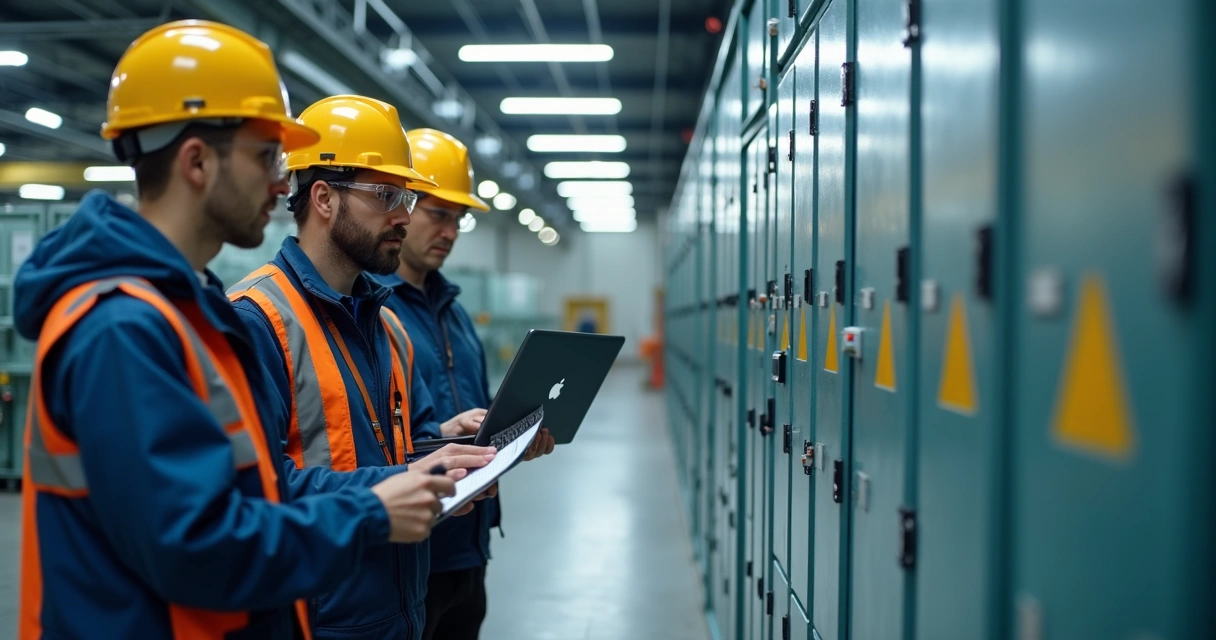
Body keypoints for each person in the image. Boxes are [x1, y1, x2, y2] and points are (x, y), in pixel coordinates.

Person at [14, 21, 462, 640]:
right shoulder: (121, 327)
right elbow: (194, 546)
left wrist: (411, 470)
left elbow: (262, 490)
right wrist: (369, 512)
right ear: (197, 161)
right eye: (263, 157)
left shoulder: (194, 309)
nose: (283, 183)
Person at [227, 96, 496, 640]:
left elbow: (410, 447)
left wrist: (461, 467)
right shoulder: (255, 320)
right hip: (318, 617)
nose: (405, 215)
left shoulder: (388, 327)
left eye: (409, 197)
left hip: (401, 610)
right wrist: (401, 481)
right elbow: (254, 496)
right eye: (387, 196)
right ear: (323, 197)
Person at [377, 128, 557, 640]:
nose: (450, 230)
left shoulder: (455, 314)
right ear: (405, 206)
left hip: (470, 545)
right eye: (438, 213)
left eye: (458, 218)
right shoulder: (373, 311)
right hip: (415, 551)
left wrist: (514, 438)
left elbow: (477, 415)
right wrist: (439, 432)